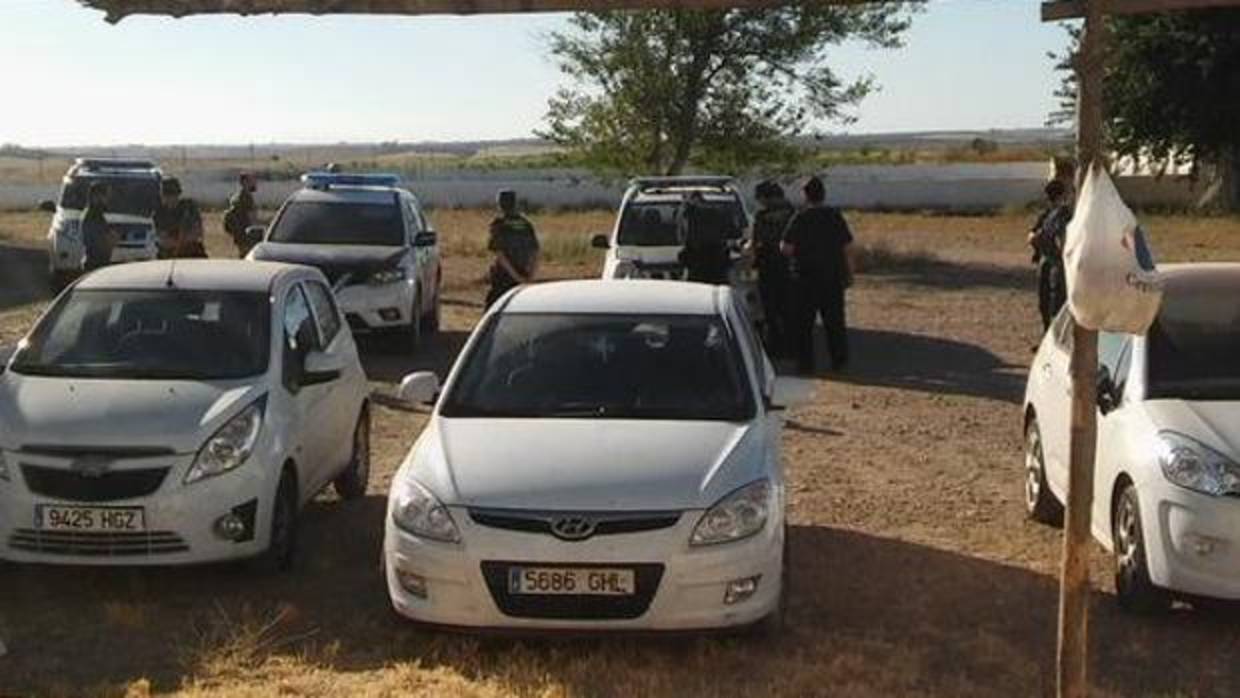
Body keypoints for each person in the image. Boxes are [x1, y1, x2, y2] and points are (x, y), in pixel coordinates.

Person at [782, 175, 854, 375]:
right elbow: (847, 247)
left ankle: (805, 365)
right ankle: (839, 361)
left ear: (806, 195)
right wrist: (850, 272)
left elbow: (786, 247)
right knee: (835, 321)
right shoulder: (834, 216)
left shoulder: (800, 217)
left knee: (804, 323)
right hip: (832, 277)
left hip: (805, 278)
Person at [752, 180, 796, 356]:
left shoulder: (762, 217)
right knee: (788, 309)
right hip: (790, 267)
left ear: (766, 198)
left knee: (770, 310)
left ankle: (776, 347)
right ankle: (791, 346)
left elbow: (756, 243)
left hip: (769, 266)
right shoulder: (793, 213)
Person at [1028, 179, 1072, 331]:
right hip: (1046, 260)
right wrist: (1036, 237)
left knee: (1057, 302)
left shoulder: (1065, 214)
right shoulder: (1048, 214)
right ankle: (1048, 334)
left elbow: (1063, 240)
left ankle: (1056, 337)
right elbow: (1032, 234)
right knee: (1045, 302)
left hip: (1057, 263)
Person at [485, 190, 540, 307]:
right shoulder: (526, 224)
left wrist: (516, 276)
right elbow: (535, 252)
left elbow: (500, 255)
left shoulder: (499, 224)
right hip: (524, 274)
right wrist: (529, 276)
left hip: (503, 277)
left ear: (500, 205)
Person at [678, 192, 730, 284]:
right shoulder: (718, 212)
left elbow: (685, 236)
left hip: (698, 262)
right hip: (716, 262)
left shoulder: (691, 215)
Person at [154, 177, 206, 259]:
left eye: (172, 195)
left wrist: (182, 240)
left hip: (192, 254)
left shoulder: (189, 208)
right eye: (166, 195)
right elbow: (160, 238)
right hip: (168, 255)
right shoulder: (159, 213)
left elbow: (198, 233)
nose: (170, 199)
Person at [80, 181, 117, 272]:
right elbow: (96, 243)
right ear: (96, 196)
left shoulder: (98, 215)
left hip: (100, 263)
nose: (107, 199)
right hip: (94, 265)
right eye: (105, 195)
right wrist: (110, 239)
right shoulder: (92, 216)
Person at [223, 172, 260, 258]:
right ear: (245, 182)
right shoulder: (246, 198)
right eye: (251, 180)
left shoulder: (236, 197)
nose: (254, 183)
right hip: (246, 234)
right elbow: (252, 218)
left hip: (239, 234)